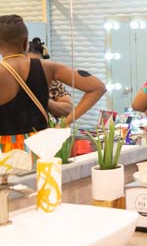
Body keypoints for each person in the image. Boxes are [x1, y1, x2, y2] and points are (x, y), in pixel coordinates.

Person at [0, 14, 105, 154]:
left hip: (5, 150)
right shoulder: (48, 67)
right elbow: (98, 87)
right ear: (25, 41)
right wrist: (63, 125)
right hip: (40, 146)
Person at [28, 37, 73, 119]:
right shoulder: (10, 80)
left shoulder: (51, 81)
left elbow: (68, 110)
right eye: (29, 63)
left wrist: (43, 99)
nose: (34, 67)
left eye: (38, 63)